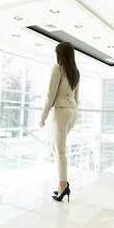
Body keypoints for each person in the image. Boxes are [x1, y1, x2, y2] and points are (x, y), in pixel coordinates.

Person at [39, 41, 80, 202]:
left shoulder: (58, 68)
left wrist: (43, 116)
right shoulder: (75, 71)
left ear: (60, 54)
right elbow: (77, 98)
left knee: (60, 152)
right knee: (56, 147)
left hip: (61, 112)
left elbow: (51, 95)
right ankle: (61, 185)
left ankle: (63, 186)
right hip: (72, 112)